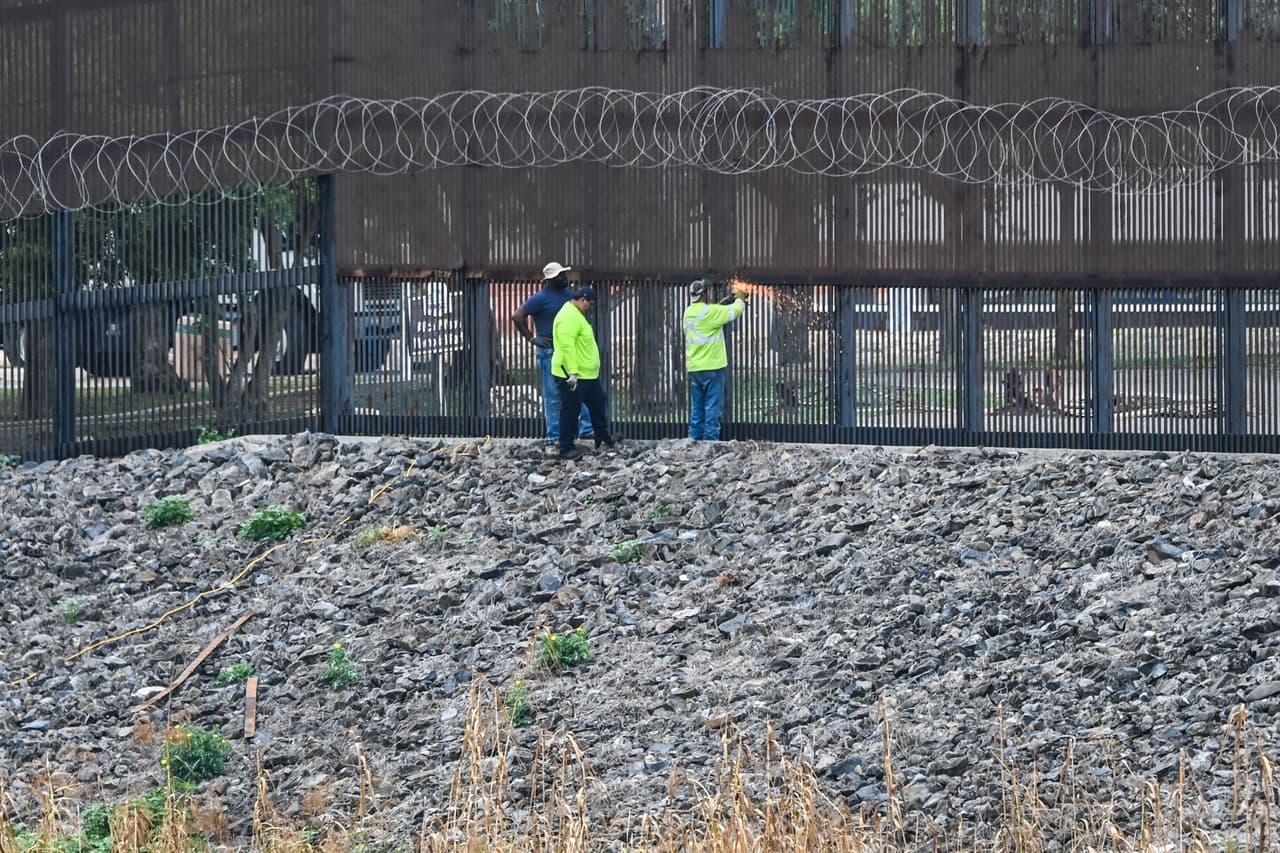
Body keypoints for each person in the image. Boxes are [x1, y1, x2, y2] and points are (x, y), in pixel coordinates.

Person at [511, 261, 593, 446]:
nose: (564, 278)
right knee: (554, 394)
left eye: (564, 275)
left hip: (569, 349)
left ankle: (587, 430)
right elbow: (517, 316)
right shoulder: (540, 298)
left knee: (579, 388)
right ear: (550, 280)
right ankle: (555, 436)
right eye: (560, 276)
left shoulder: (570, 296)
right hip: (549, 350)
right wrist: (532, 338)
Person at [551, 287, 619, 460]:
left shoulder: (575, 315)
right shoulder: (568, 317)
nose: (591, 308)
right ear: (583, 299)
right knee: (570, 411)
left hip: (586, 375)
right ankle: (566, 447)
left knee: (598, 401)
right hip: (574, 375)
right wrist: (572, 373)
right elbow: (568, 347)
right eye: (591, 304)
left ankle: (603, 437)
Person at [683, 278, 748, 441]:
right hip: (712, 368)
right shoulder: (710, 312)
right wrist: (740, 298)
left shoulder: (688, 313)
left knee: (697, 407)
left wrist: (719, 306)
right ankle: (710, 441)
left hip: (694, 368)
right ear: (704, 294)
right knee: (712, 406)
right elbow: (736, 311)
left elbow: (706, 320)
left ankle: (693, 439)